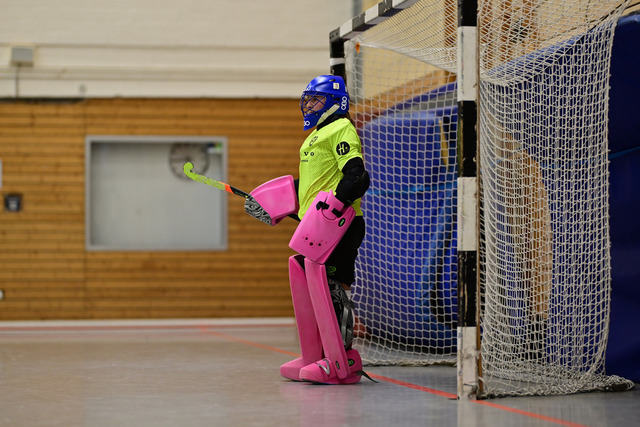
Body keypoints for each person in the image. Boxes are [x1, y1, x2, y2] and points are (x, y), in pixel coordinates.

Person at [248, 75, 370, 384]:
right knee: (306, 283)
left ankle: (340, 361)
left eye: (316, 100)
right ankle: (315, 356)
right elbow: (315, 184)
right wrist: (276, 202)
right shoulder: (315, 136)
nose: (310, 105)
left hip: (339, 224)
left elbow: (356, 176)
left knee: (330, 290)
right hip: (316, 225)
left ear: (335, 103)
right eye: (308, 100)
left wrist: (334, 207)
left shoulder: (341, 128)